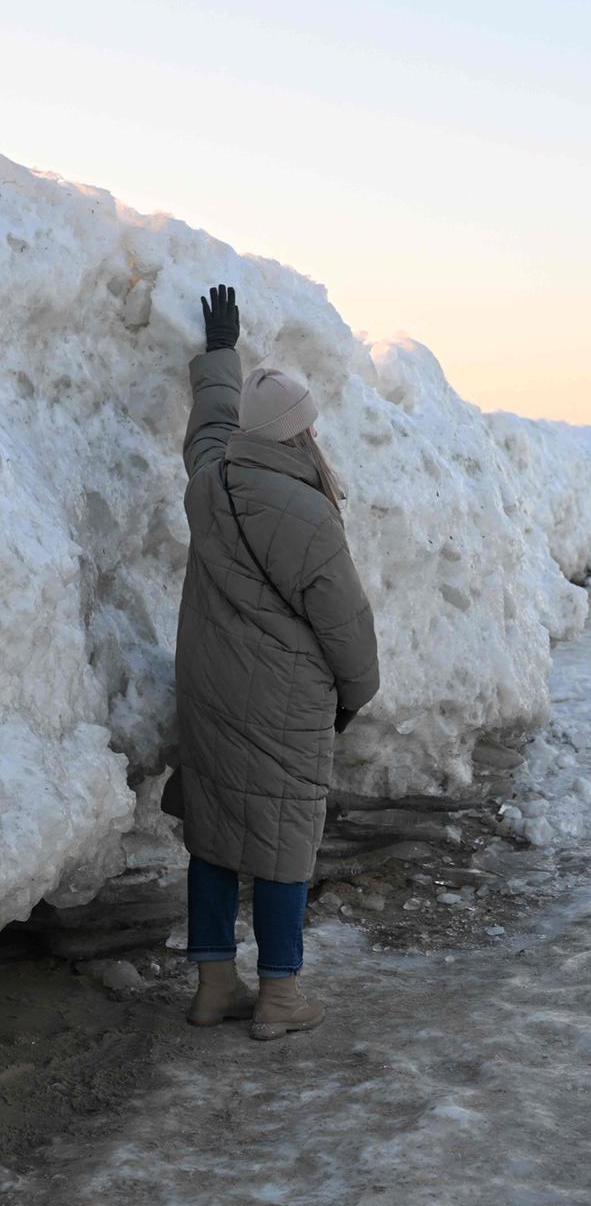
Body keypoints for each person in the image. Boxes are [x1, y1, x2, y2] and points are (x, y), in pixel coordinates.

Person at [177, 285, 380, 1040]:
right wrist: (357, 693)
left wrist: (220, 355)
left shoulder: (210, 482)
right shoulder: (309, 512)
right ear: (295, 436)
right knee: (283, 841)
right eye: (308, 425)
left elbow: (210, 428)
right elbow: (345, 622)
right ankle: (281, 997)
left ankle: (212, 989)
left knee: (213, 835)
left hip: (208, 688)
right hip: (285, 700)